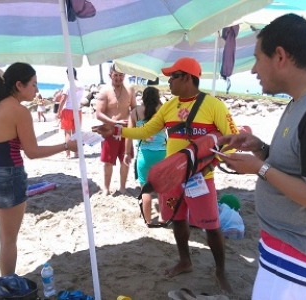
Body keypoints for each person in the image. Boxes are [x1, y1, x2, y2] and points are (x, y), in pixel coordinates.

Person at [93, 57, 238, 291]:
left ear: (188, 78)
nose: (168, 81)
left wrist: (213, 163)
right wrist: (117, 129)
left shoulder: (214, 105)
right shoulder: (169, 107)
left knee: (211, 226)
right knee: (178, 220)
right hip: (171, 177)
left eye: (173, 76)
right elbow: (146, 130)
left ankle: (220, 270)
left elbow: (232, 139)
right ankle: (185, 260)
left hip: (201, 179)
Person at [218, 14, 306, 300]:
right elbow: (299, 167)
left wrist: (259, 168)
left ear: (280, 57)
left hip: (298, 260)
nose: (252, 71)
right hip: (282, 248)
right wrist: (260, 149)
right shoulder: (300, 101)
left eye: (257, 58)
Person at [0, 62, 78, 298]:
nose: (36, 89)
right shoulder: (18, 111)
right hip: (6, 176)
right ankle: (6, 289)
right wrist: (66, 145)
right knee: (8, 240)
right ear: (19, 85)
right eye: (34, 84)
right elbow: (32, 152)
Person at [123, 86, 166, 225]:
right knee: (162, 189)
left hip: (144, 155)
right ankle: (163, 218)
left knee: (146, 189)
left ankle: (148, 221)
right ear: (157, 97)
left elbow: (128, 135)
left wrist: (126, 153)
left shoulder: (135, 112)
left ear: (143, 97)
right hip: (162, 154)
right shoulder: (163, 110)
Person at [95, 64, 136, 195]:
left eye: (121, 75)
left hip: (126, 131)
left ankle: (123, 187)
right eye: (116, 75)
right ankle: (106, 188)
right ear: (110, 75)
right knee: (108, 162)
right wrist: (114, 122)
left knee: (126, 159)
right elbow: (99, 113)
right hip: (110, 131)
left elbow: (134, 109)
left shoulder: (130, 89)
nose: (118, 78)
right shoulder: (104, 91)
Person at [57, 68, 84, 158]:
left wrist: (59, 111)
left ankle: (68, 153)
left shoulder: (68, 84)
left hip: (68, 110)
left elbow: (63, 99)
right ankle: (76, 153)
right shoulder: (81, 84)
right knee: (76, 132)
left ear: (69, 74)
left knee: (67, 133)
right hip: (78, 110)